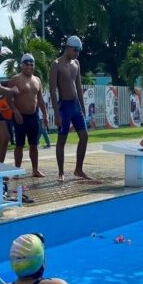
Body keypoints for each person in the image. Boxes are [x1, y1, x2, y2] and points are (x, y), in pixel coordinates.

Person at [49, 35, 92, 181]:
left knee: (84, 137)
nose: (77, 53)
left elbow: (78, 87)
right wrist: (56, 113)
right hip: (64, 106)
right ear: (67, 48)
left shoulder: (77, 64)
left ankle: (78, 169)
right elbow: (53, 90)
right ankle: (61, 172)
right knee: (62, 140)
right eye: (75, 50)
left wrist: (83, 108)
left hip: (75, 106)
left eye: (79, 50)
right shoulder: (56, 64)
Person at [6, 53, 49, 177]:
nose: (29, 66)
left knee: (34, 144)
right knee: (19, 145)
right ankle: (17, 171)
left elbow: (40, 99)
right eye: (26, 64)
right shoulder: (15, 79)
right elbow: (8, 98)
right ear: (21, 65)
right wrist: (15, 111)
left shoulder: (37, 80)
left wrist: (45, 115)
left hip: (33, 116)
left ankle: (35, 170)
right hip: (20, 116)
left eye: (31, 64)